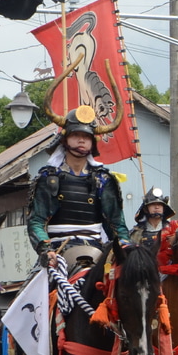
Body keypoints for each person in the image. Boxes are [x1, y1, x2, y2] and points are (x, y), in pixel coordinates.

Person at [26, 105, 128, 269]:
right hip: (56, 252)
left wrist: (124, 246)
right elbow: (36, 221)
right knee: (29, 293)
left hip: (97, 251)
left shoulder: (103, 179)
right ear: (65, 139)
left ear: (93, 142)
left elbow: (117, 224)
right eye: (76, 135)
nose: (81, 140)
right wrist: (46, 250)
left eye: (86, 137)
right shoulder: (48, 178)